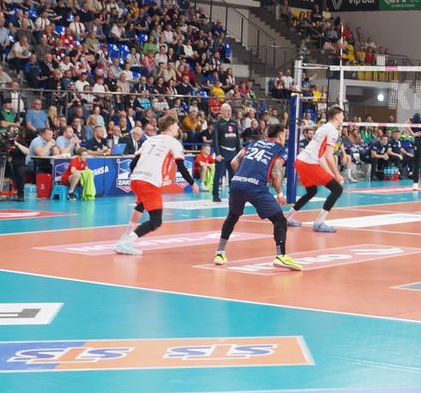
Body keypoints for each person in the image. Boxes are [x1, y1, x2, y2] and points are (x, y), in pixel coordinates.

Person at [213, 123, 301, 271]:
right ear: (281, 135)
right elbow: (276, 169)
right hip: (256, 187)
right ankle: (281, 256)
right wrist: (279, 193)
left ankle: (219, 253)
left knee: (232, 216)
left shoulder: (253, 144)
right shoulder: (280, 149)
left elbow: (234, 163)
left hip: (237, 183)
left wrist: (245, 174)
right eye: (284, 135)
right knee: (280, 220)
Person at [114, 111, 195, 256]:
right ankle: (125, 243)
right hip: (149, 182)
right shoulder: (173, 143)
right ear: (170, 126)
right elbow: (181, 166)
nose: (178, 128)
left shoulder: (148, 140)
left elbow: (133, 163)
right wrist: (192, 182)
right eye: (176, 125)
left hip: (135, 179)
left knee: (141, 204)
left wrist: (138, 174)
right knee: (156, 221)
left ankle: (125, 236)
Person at [288, 106, 345, 232]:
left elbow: (321, 157)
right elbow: (329, 156)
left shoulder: (323, 128)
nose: (343, 117)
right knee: (337, 189)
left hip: (300, 161)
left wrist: (331, 174)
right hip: (309, 163)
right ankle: (319, 223)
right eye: (342, 114)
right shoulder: (333, 131)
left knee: (311, 191)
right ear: (336, 116)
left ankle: (287, 218)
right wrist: (337, 175)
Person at [210, 102, 242, 203]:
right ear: (222, 111)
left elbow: (237, 139)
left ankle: (232, 195)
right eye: (227, 111)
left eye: (230, 111)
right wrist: (217, 154)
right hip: (222, 153)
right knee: (218, 174)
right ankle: (215, 195)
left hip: (233, 153)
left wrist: (239, 153)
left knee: (233, 175)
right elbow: (215, 140)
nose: (229, 112)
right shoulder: (217, 124)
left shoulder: (234, 123)